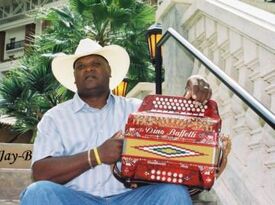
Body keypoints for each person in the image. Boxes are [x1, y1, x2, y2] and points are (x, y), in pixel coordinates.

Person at [20, 38, 223, 205]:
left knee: (174, 193)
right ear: (74, 79)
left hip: (131, 199)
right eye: (80, 66)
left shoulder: (138, 109)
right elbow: (41, 172)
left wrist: (193, 92)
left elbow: (177, 130)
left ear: (110, 73)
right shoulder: (55, 118)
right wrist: (96, 155)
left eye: (96, 64)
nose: (88, 69)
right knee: (38, 193)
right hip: (75, 199)